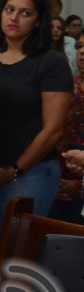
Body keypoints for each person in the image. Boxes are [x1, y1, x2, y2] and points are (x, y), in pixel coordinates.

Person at [0, 0, 72, 266]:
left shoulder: (51, 62)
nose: (14, 18)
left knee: (18, 257)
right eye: (10, 9)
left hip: (30, 172)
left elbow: (53, 129)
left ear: (39, 20)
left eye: (25, 13)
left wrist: (15, 171)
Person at [52, 38, 84, 225]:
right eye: (79, 46)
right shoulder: (66, 86)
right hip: (59, 183)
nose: (82, 51)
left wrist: (79, 188)